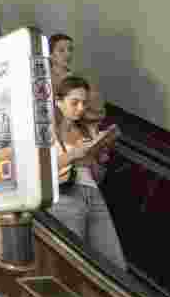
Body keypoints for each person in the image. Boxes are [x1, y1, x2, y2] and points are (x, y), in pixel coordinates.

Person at [49, 75, 127, 270]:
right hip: (65, 195)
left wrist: (99, 154)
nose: (81, 108)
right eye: (74, 102)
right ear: (58, 101)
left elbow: (98, 177)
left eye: (84, 103)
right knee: (74, 261)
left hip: (92, 193)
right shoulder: (47, 130)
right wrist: (75, 154)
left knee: (114, 262)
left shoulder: (83, 131)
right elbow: (40, 170)